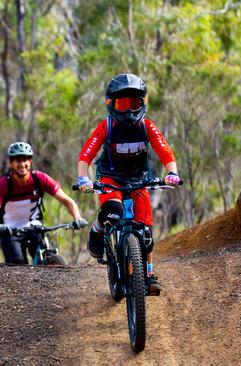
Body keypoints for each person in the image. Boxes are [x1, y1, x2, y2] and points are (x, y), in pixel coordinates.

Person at [76, 73, 182, 292]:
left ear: (142, 103)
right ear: (111, 103)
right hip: (109, 178)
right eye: (122, 103)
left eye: (133, 103)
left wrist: (172, 173)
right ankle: (97, 229)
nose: (128, 110)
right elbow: (85, 156)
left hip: (138, 180)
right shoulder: (107, 126)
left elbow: (166, 153)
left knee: (146, 231)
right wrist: (83, 178)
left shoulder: (147, 126)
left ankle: (149, 274)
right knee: (113, 211)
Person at [0, 142, 88, 264]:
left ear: (30, 162)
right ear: (11, 163)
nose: (22, 164)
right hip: (11, 232)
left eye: (25, 160)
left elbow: (68, 201)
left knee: (48, 255)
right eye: (18, 160)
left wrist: (77, 217)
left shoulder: (39, 178)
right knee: (18, 267)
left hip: (35, 228)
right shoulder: (3, 184)